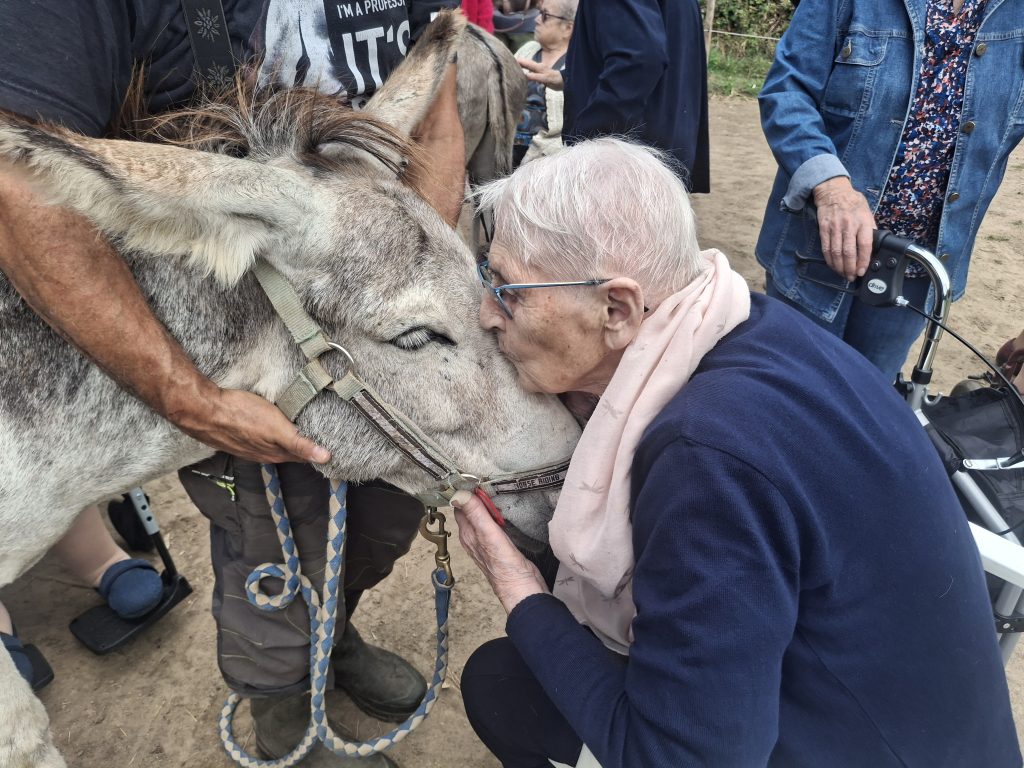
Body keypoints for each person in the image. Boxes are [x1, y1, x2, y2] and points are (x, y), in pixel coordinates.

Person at [451, 138, 1021, 767]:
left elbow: (682, 759)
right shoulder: (752, 321)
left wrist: (519, 590)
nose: (486, 314)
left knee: (501, 683)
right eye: (487, 277)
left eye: (509, 291)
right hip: (919, 722)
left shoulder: (706, 456)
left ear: (617, 308)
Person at [0, 2, 465, 764]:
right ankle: (285, 714)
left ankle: (334, 636)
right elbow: (18, 177)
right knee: (267, 541)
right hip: (238, 331)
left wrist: (403, 280)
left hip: (376, 306)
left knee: (380, 517)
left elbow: (437, 111)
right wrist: (193, 399)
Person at [756, 0, 1024, 383]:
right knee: (791, 387)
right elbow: (788, 88)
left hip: (916, 270)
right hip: (817, 248)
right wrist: (831, 187)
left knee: (868, 394)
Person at [519, 0, 709, 192]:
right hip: (661, 156)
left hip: (623, 163)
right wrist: (570, 78)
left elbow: (639, 62)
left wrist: (586, 140)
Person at [511, 0, 576, 167]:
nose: (537, 19)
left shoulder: (575, 64)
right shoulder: (528, 50)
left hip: (550, 161)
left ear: (568, 28)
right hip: (508, 151)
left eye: (545, 15)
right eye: (539, 12)